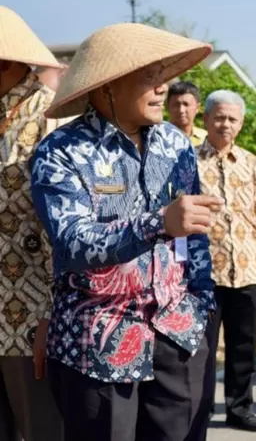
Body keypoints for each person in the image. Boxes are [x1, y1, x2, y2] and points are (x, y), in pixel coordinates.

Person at [30, 22, 220, 441]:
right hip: (96, 342)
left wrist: (205, 307)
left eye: (162, 77)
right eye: (148, 77)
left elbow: (194, 234)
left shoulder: (176, 144)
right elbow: (71, 239)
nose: (161, 90)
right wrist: (157, 223)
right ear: (107, 87)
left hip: (178, 331)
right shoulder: (60, 151)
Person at [196, 89, 256, 433]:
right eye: (219, 117)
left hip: (247, 270)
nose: (225, 124)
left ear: (241, 123)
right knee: (201, 349)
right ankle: (198, 410)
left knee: (243, 346)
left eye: (232, 119)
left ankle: (240, 407)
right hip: (203, 274)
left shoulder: (250, 162)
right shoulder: (188, 160)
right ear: (206, 119)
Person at [0, 5, 65, 441]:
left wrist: (49, 314)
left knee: (41, 428)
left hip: (29, 312)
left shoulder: (51, 117)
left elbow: (59, 229)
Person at [167, 81, 207, 145]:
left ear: (197, 108)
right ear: (168, 106)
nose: (181, 110)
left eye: (186, 104)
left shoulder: (205, 139)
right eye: (176, 105)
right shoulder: (158, 137)